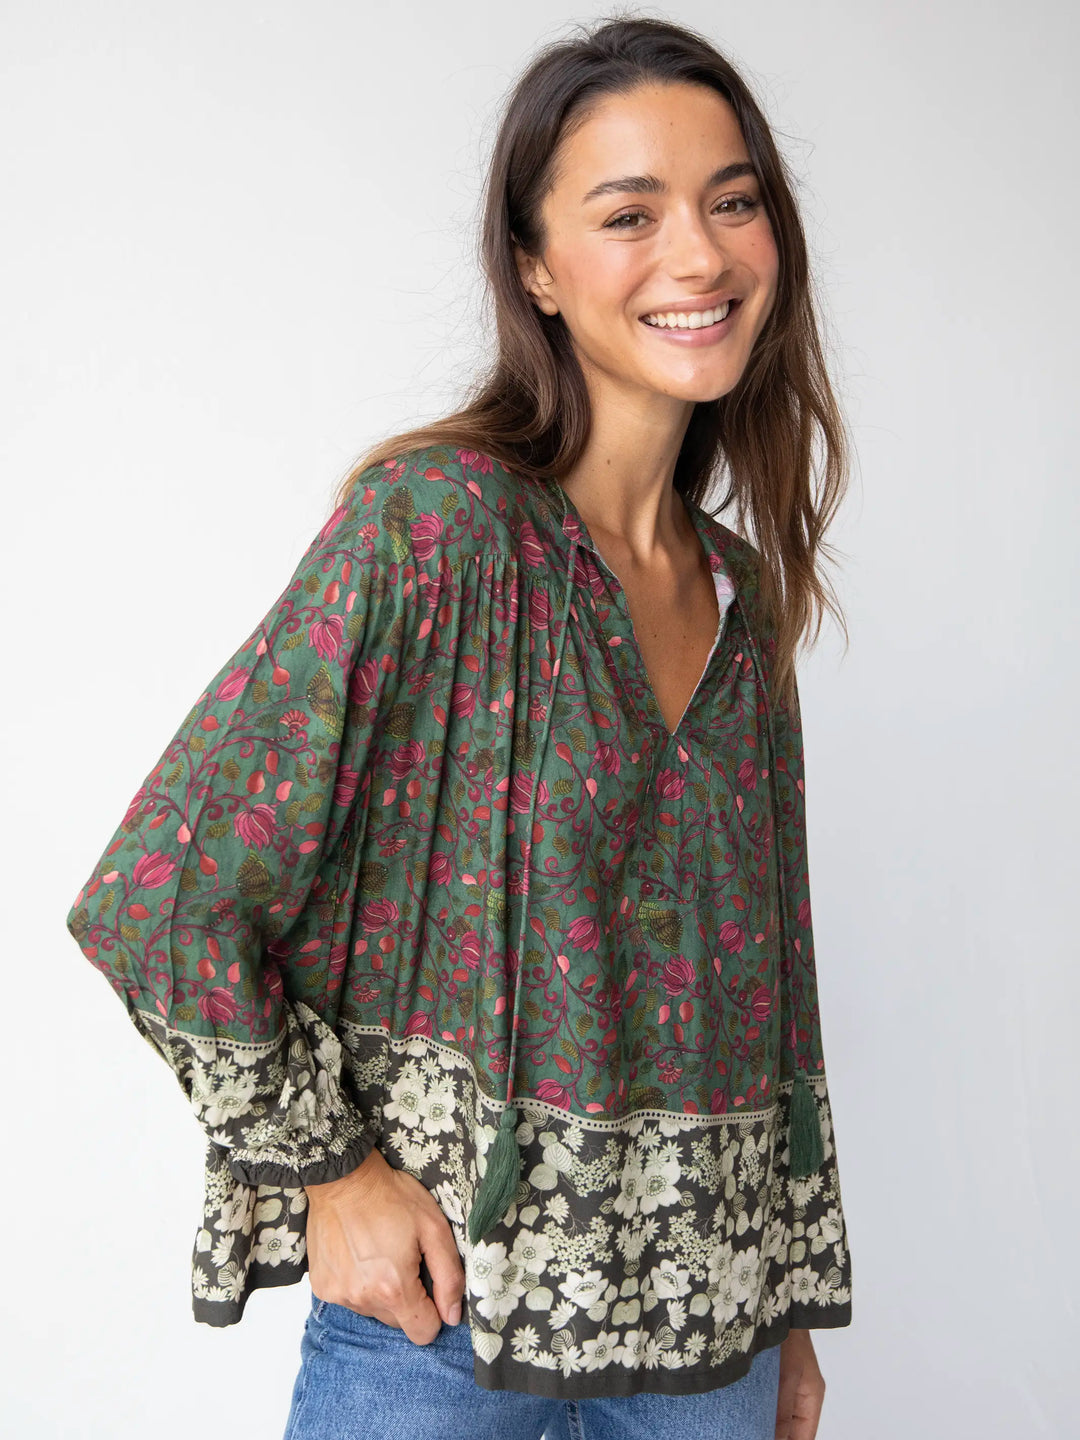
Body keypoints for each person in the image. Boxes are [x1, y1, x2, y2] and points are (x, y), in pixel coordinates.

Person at [64, 14, 854, 1440]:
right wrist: (334, 1175)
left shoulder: (745, 598)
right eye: (631, 214)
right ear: (538, 268)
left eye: (732, 202)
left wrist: (787, 1312)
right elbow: (161, 898)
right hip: (439, 1329)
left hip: (716, 1346)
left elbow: (767, 999)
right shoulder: (436, 533)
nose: (698, 255)